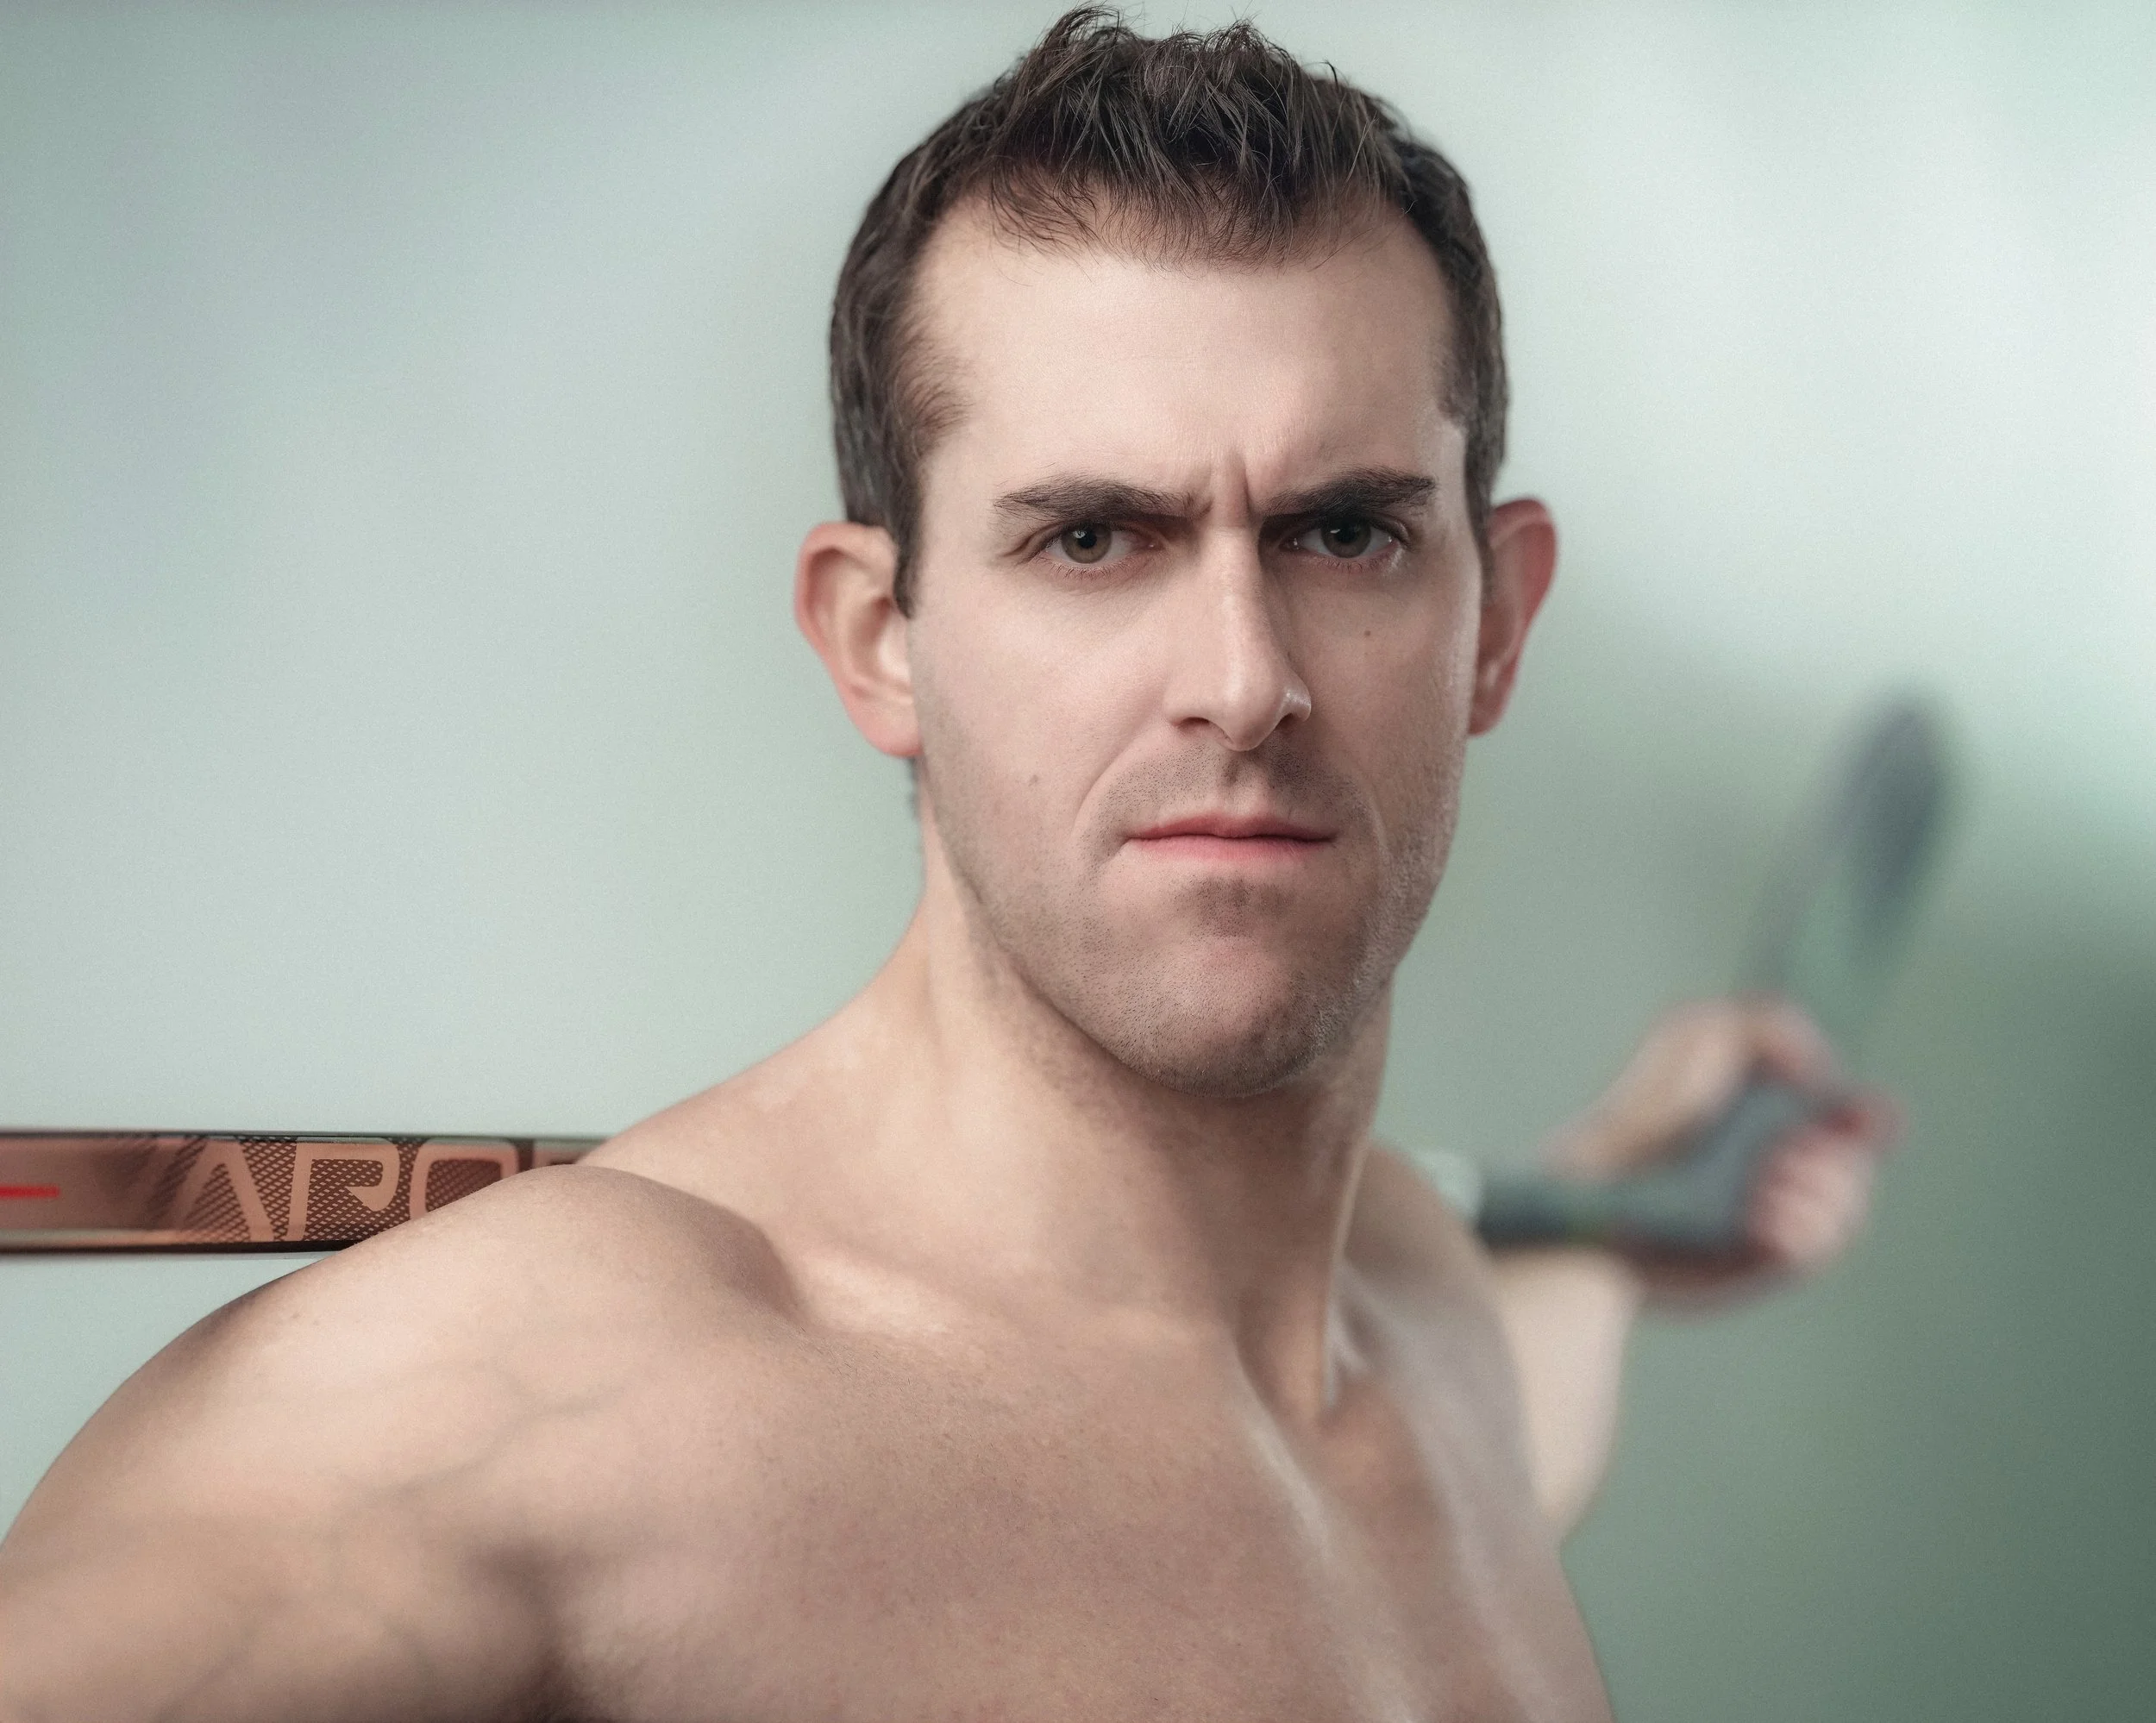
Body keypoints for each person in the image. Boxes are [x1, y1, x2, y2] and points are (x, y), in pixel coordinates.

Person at [0, 10, 1894, 1720]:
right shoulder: (517, 1420)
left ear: (1495, 622)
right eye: (1091, 540)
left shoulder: (1422, 1327)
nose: (1240, 683)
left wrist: (1634, 1197)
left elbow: (1461, 1369)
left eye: (1339, 533)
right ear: (877, 637)